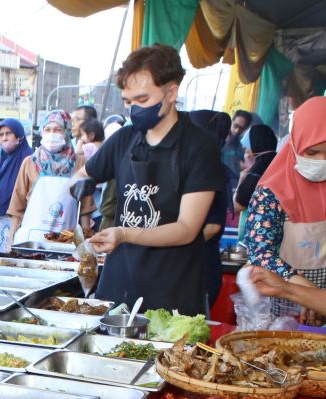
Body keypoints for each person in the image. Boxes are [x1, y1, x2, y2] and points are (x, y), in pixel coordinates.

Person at [81, 44, 225, 315]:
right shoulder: (123, 139)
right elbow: (84, 173)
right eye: (127, 101)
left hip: (172, 289)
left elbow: (186, 228)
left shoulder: (199, 146)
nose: (133, 110)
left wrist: (124, 233)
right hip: (118, 283)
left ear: (171, 92)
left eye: (142, 100)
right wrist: (82, 188)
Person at [244, 96, 326, 320]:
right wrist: (307, 293)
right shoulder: (272, 191)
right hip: (287, 304)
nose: (323, 160)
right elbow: (261, 252)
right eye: (312, 152)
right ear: (295, 143)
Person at [8, 110, 82, 245]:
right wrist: (10, 241)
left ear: (66, 132)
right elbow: (17, 206)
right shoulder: (30, 162)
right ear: (42, 132)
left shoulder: (79, 163)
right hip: (32, 240)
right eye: (47, 129)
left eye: (57, 129)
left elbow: (86, 208)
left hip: (66, 240)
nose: (52, 133)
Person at [189, 109, 237, 308]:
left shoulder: (212, 170)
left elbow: (213, 226)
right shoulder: (192, 166)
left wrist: (174, 247)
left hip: (200, 267)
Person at [0, 119, 31, 254]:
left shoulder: (29, 159)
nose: (4, 138)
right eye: (1, 135)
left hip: (17, 222)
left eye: (8, 133)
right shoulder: (4, 160)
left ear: (19, 136)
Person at [234, 124, 278, 211]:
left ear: (255, 143)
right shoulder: (278, 162)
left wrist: (241, 180)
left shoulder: (256, 172)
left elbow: (237, 205)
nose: (246, 149)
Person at [223, 109, 253, 177]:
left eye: (241, 128)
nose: (237, 131)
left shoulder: (241, 148)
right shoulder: (219, 139)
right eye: (235, 125)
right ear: (231, 121)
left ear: (246, 129)